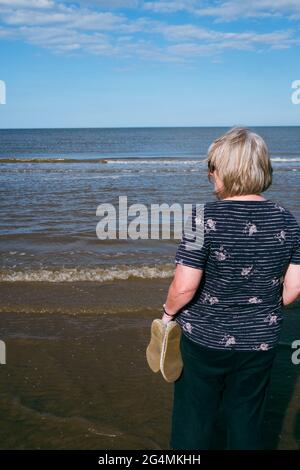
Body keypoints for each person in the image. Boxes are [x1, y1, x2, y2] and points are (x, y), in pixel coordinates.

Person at [162, 127, 300, 450]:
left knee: (193, 422)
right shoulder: (287, 220)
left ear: (224, 171)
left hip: (204, 340)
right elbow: (292, 292)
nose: (210, 176)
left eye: (212, 169)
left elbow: (184, 287)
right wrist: (259, 304)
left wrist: (167, 314)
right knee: (246, 422)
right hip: (260, 342)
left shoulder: (201, 217)